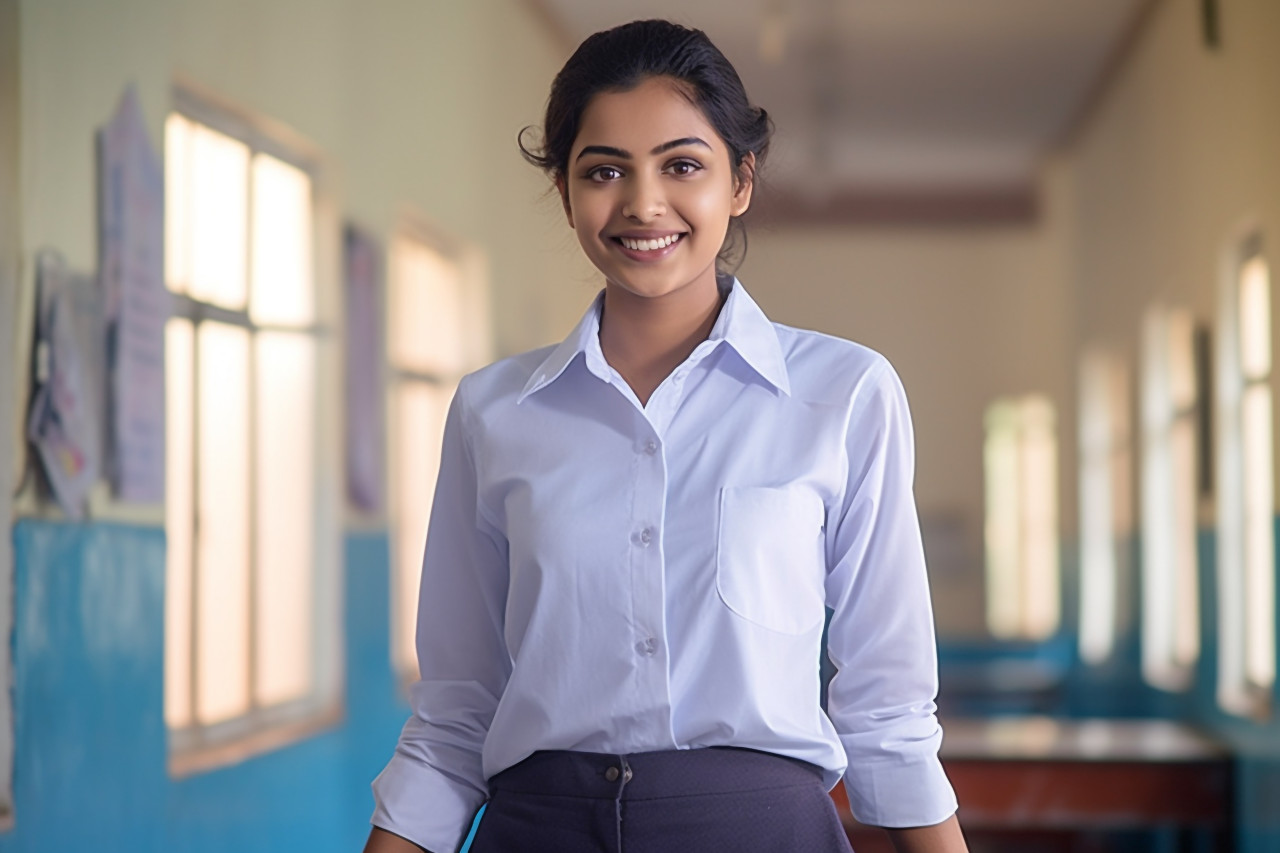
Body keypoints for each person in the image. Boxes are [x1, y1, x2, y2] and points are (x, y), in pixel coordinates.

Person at [363, 19, 967, 853]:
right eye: (604, 170)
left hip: (763, 833)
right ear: (567, 192)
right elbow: (457, 711)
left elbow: (888, 706)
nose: (644, 204)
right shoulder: (492, 412)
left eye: (683, 165)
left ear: (741, 180)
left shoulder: (846, 394)